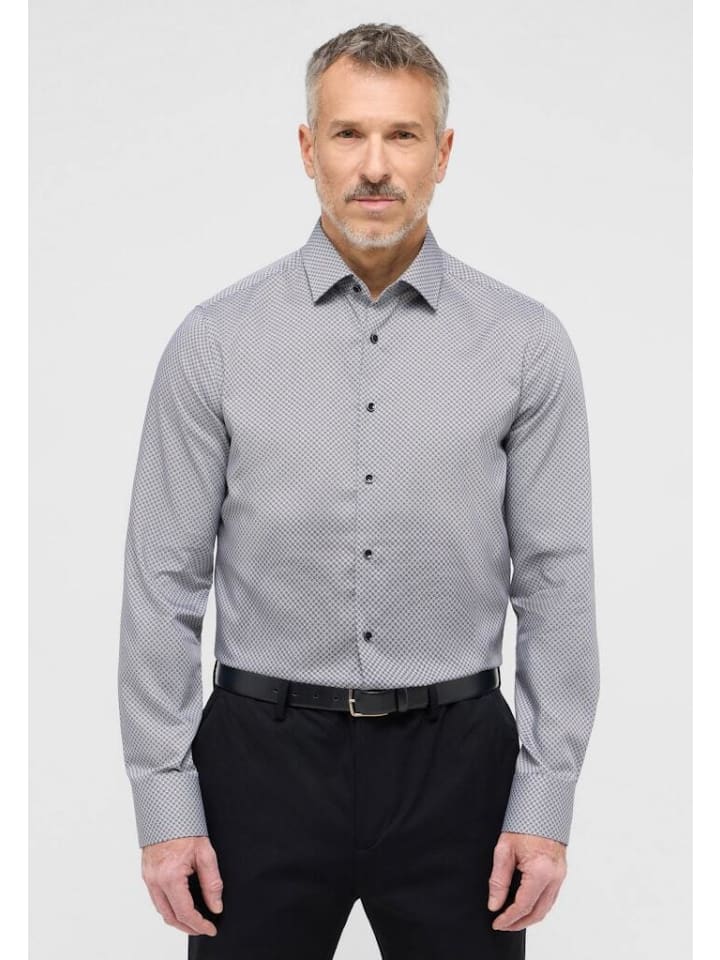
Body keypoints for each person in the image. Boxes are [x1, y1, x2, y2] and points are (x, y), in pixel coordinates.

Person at [117, 21, 600, 960]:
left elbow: (557, 582)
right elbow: (161, 583)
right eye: (348, 133)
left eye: (402, 135)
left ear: (442, 153)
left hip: (458, 766)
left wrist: (545, 803)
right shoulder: (215, 342)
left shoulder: (524, 345)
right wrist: (165, 807)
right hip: (259, 764)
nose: (375, 165)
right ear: (308, 148)